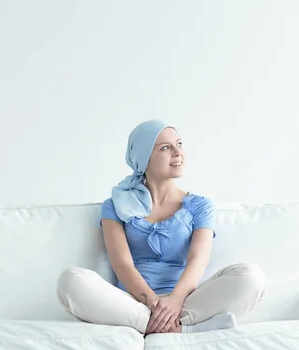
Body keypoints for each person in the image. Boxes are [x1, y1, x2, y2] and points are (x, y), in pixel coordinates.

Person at [57, 120, 265, 335]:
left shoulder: (200, 205)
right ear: (143, 158)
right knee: (71, 280)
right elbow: (122, 264)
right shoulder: (115, 205)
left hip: (186, 300)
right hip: (133, 301)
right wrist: (154, 304)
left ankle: (151, 326)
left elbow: (198, 260)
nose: (178, 152)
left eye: (179, 144)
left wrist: (175, 301)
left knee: (250, 277)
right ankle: (182, 329)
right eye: (165, 148)